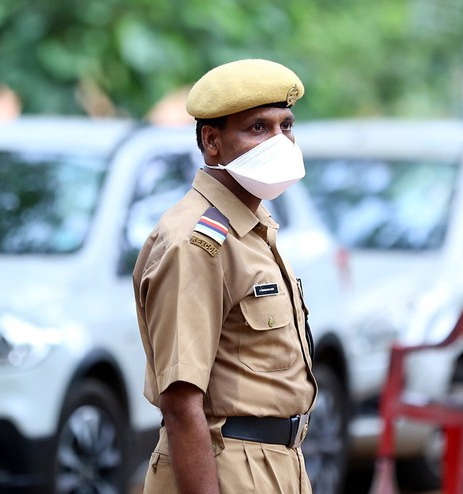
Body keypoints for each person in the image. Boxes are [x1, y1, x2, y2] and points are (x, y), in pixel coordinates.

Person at [133, 58, 318, 494]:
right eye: (258, 128)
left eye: (285, 126)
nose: (279, 141)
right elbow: (179, 404)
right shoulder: (195, 243)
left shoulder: (254, 229)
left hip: (278, 464)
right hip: (227, 467)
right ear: (212, 141)